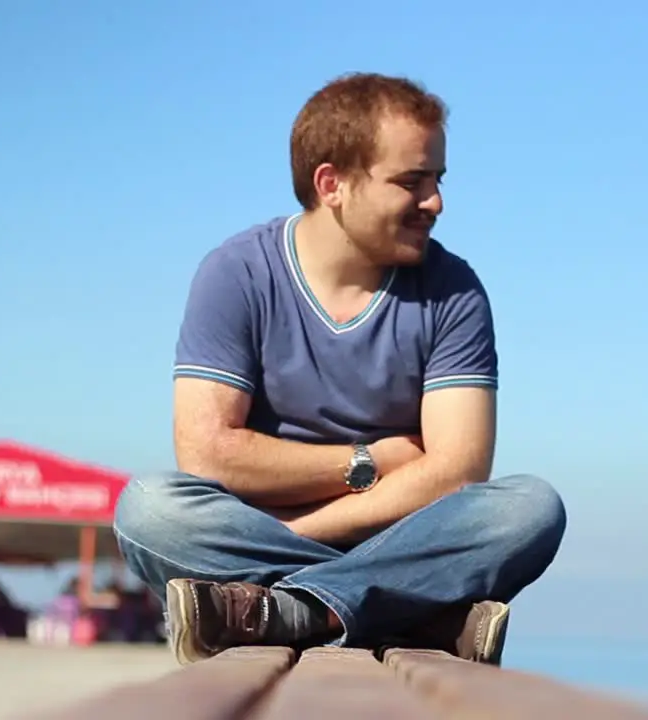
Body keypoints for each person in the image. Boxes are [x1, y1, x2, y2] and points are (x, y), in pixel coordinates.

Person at [114, 72, 567, 667]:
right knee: (149, 510)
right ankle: (408, 611)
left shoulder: (454, 290)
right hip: (266, 527)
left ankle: (291, 609)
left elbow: (457, 471)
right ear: (333, 184)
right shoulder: (237, 274)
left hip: (385, 535)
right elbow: (208, 453)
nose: (435, 202)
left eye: (437, 180)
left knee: (528, 509)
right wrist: (371, 461)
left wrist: (303, 535)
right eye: (412, 182)